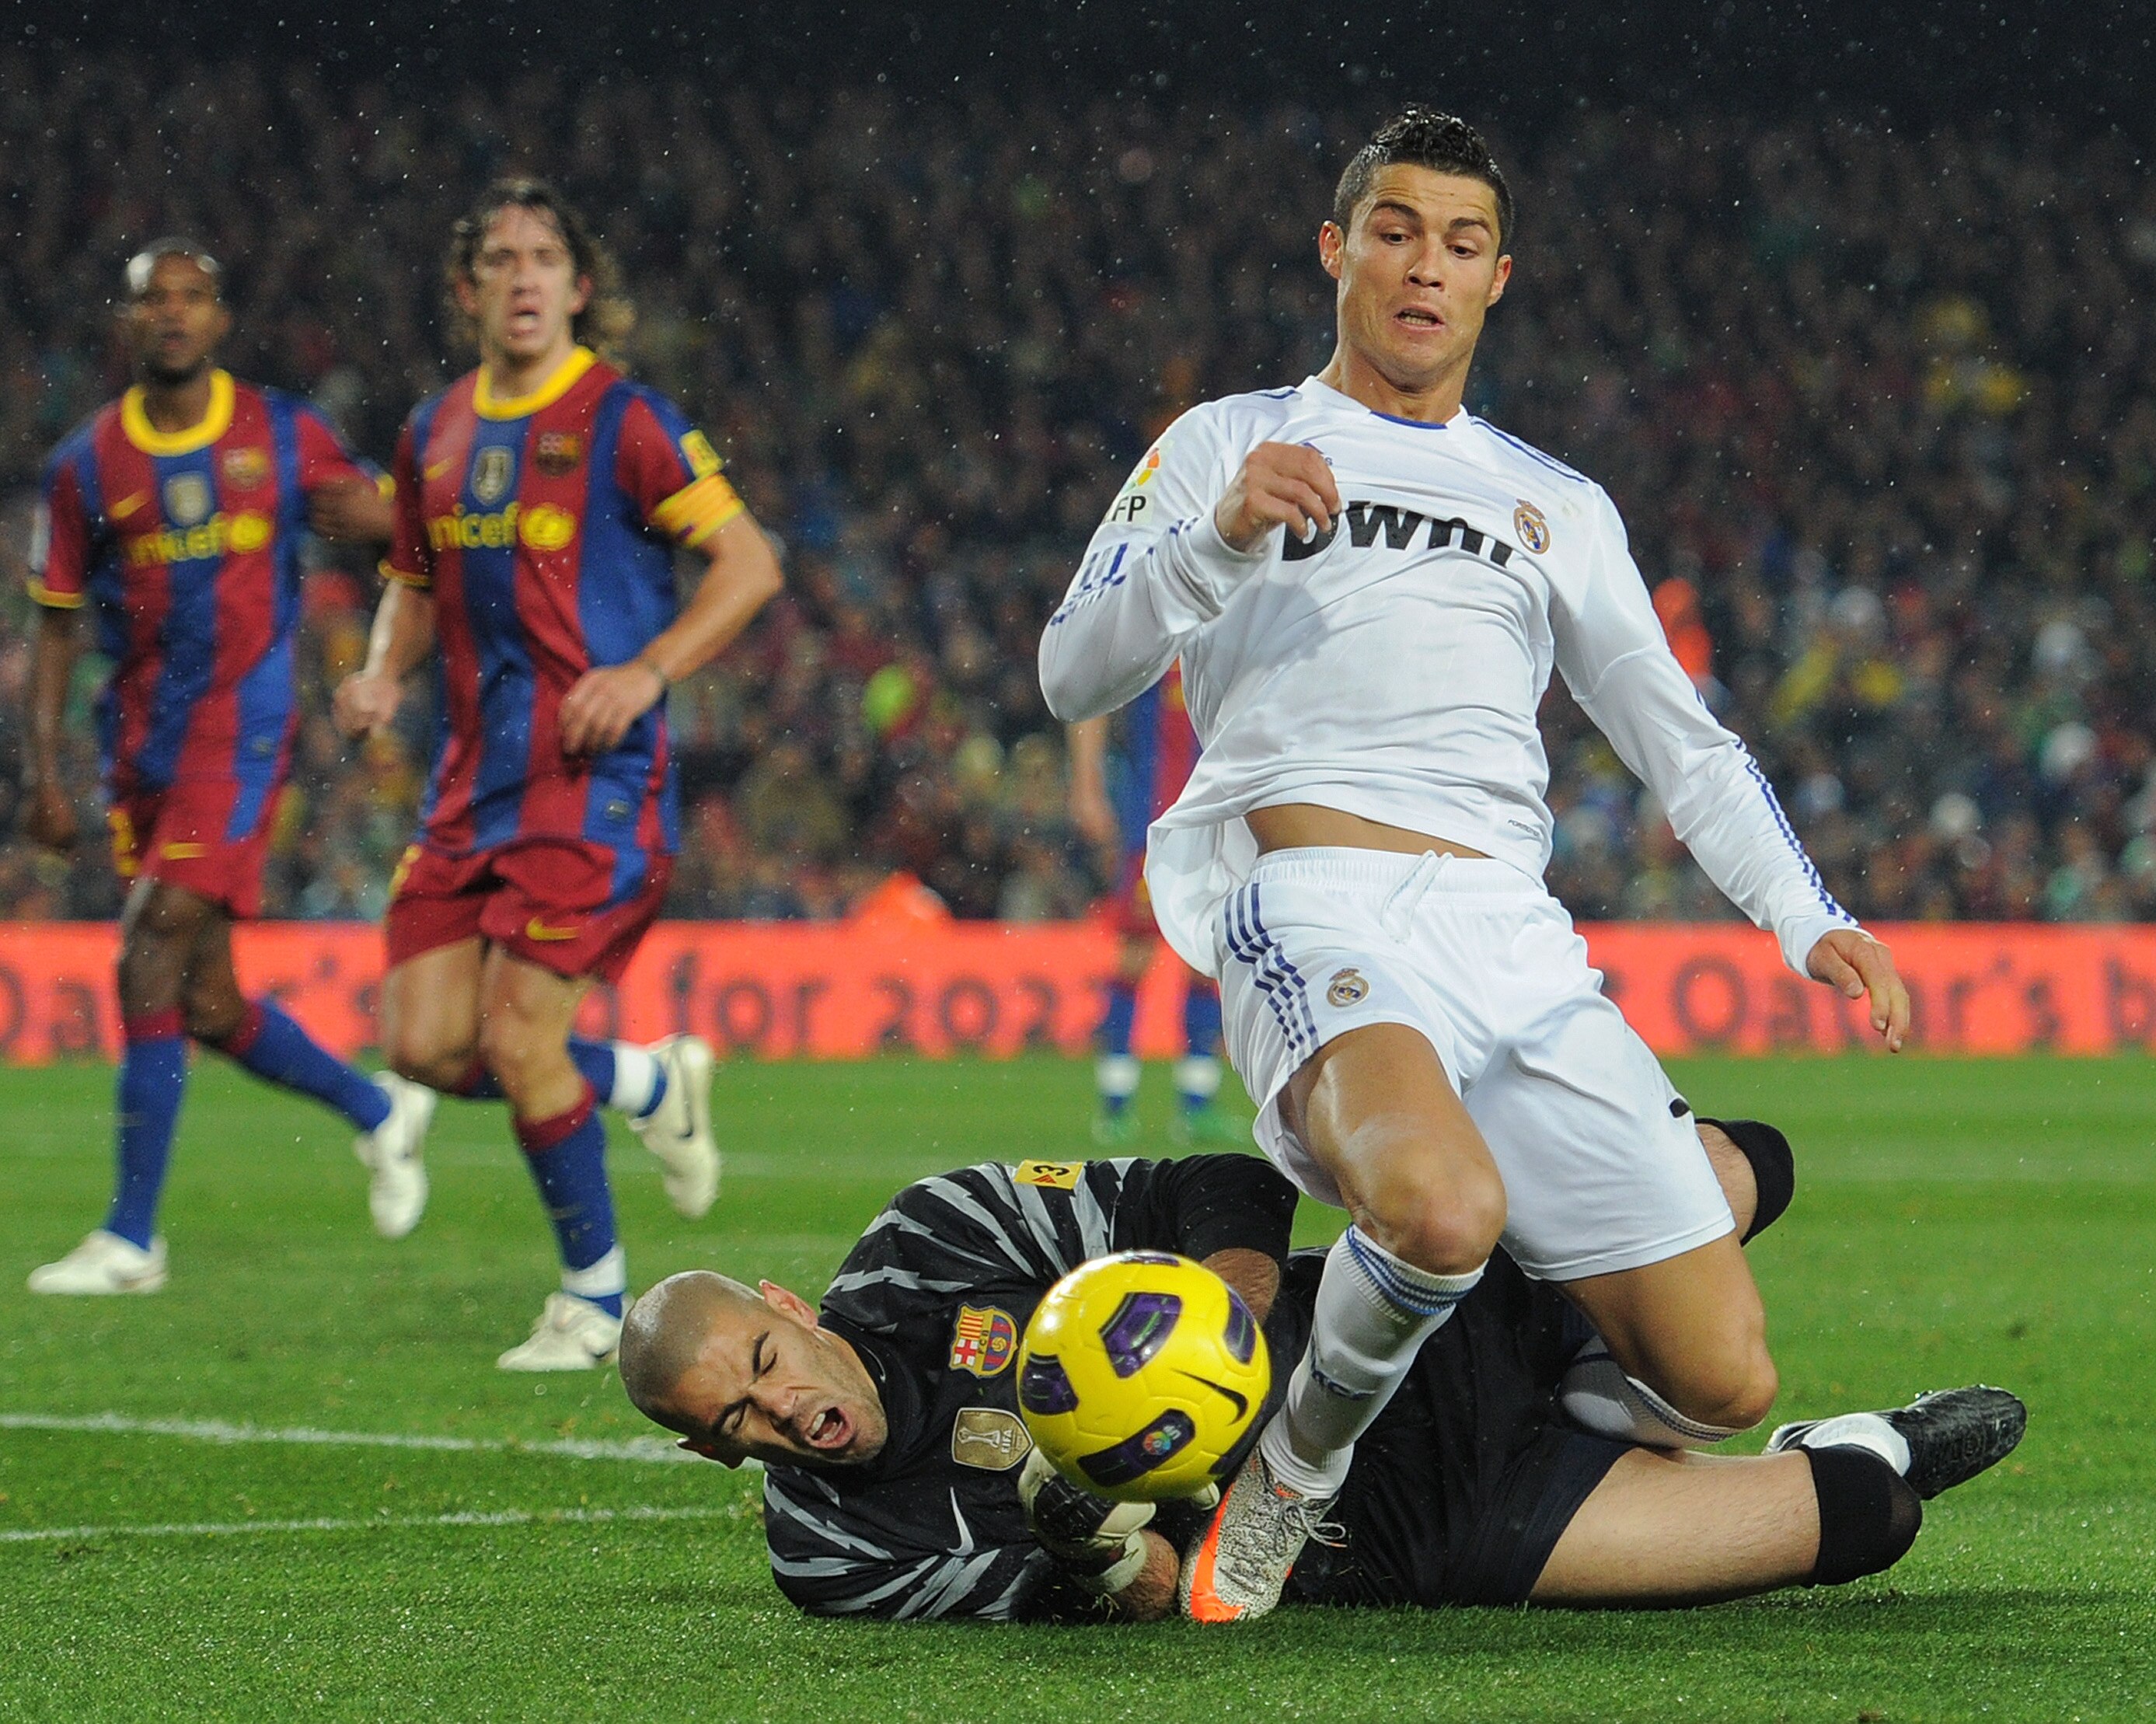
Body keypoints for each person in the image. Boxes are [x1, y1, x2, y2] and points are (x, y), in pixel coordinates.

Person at [1036, 106, 1917, 1621]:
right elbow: (1069, 671)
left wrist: (1804, 913)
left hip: (1514, 937)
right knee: (1437, 1209)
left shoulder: (1553, 503)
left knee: (1717, 1369)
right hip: (1313, 901)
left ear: (1497, 277)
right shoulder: (1225, 446)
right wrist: (1217, 546)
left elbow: (1681, 741)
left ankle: (1512, 1418)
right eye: (1393, 230)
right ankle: (1297, 1483)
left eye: (1457, 242)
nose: (1422, 266)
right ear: (1336, 250)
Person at [616, 1132, 2024, 1622]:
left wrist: (1222, 1310)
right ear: (714, 1455)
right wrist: (1098, 1551)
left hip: (1399, 1321)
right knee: (1864, 1520)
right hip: (1418, 1525)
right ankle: (1842, 1442)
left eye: (761, 1359)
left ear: (784, 1304)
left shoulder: (933, 1237)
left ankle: (1627, 1391)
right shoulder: (834, 1551)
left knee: (1744, 1164)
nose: (780, 1406)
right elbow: (1156, 1599)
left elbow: (1207, 1178)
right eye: (735, 1422)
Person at [333, 180, 783, 1369]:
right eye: (499, 258)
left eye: (544, 257)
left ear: (578, 287)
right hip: (469, 784)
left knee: (523, 1034)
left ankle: (594, 1299)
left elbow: (747, 565)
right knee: (424, 1047)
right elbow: (415, 583)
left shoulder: (627, 418)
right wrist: (382, 672)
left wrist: (645, 670)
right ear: (469, 286)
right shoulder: (433, 429)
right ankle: (646, 1083)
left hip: (594, 780)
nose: (522, 276)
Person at [22, 239, 438, 1295]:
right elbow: (56, 628)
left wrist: (453, 531)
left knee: (142, 955)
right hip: (140, 747)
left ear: (219, 319)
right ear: (127, 323)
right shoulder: (85, 466)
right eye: (152, 299)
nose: (171, 315)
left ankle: (130, 1238)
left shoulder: (279, 434)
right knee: (204, 1000)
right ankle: (378, 1107)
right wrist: (46, 771)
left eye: (192, 298)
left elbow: (386, 519)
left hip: (242, 733)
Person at [1065, 661, 1238, 1147]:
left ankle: (1197, 1103)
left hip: (1215, 820)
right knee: (1136, 957)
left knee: (1206, 956)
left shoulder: (1224, 640)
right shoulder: (1158, 642)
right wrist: (1087, 786)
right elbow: (1090, 694)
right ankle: (1115, 1104)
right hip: (1152, 821)